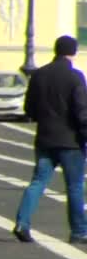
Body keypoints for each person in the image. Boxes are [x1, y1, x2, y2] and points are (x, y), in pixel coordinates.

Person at [13, 35, 87, 244]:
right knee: (74, 186)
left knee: (38, 182)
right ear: (73, 52)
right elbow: (81, 110)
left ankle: (22, 222)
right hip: (71, 141)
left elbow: (29, 109)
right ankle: (79, 231)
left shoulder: (39, 75)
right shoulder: (75, 77)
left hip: (45, 138)